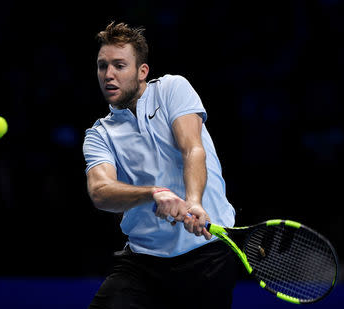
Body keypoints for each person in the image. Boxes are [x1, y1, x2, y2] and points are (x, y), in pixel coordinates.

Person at [83, 21, 238, 309]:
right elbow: (100, 191)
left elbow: (192, 148)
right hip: (142, 261)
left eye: (119, 65)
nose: (109, 74)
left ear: (142, 72)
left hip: (207, 255)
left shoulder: (171, 89)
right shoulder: (99, 134)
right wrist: (152, 192)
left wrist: (193, 202)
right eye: (102, 66)